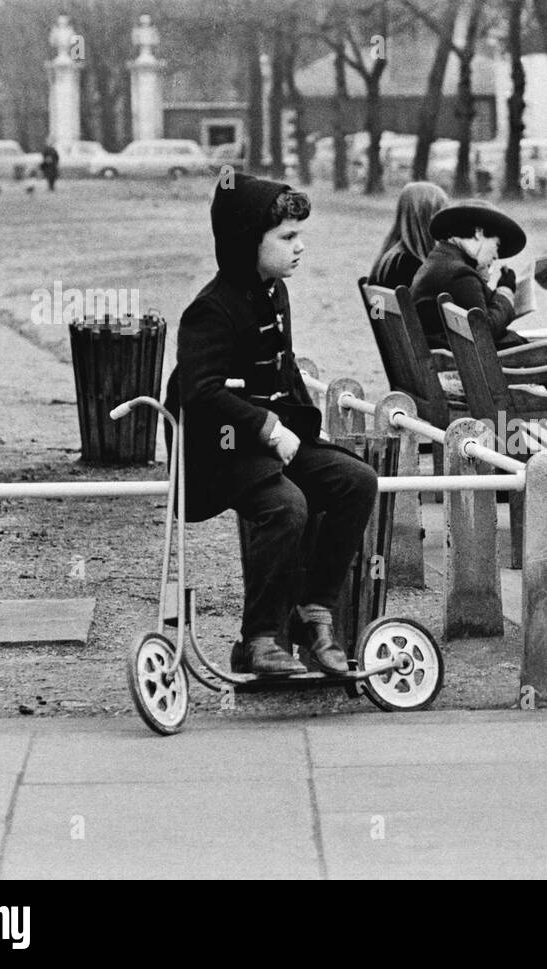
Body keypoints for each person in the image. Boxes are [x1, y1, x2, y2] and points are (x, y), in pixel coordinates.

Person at [164, 173, 378, 677]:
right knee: (287, 506)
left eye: (299, 234)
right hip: (216, 450)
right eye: (286, 237)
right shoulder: (210, 310)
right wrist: (265, 426)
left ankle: (315, 608)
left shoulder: (274, 291)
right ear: (247, 242)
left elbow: (282, 369)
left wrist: (308, 433)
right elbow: (200, 392)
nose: (299, 246)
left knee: (355, 480)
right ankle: (258, 640)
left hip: (268, 442)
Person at [409, 199, 529, 351]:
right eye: (497, 245)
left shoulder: (440, 259)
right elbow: (485, 332)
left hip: (444, 356)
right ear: (479, 233)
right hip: (464, 365)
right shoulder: (460, 274)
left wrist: (481, 279)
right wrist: (505, 293)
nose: (496, 256)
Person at [368, 181, 449, 288]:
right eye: (441, 212)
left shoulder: (389, 259)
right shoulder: (411, 265)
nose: (446, 220)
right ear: (426, 217)